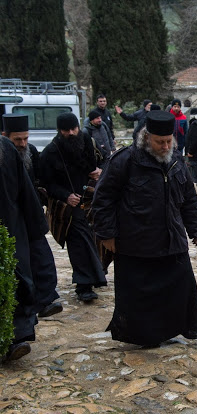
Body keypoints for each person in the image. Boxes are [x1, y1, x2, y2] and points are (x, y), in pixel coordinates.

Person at [92, 110, 197, 346]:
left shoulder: (176, 161)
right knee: (139, 295)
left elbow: (188, 197)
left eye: (168, 141)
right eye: (159, 142)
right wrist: (107, 233)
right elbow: (103, 199)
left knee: (181, 283)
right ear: (146, 138)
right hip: (136, 242)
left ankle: (184, 326)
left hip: (171, 238)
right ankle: (145, 335)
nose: (165, 146)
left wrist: (194, 228)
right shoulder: (125, 161)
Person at [39, 113, 107, 302]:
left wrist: (98, 171)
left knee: (97, 237)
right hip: (68, 207)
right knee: (79, 241)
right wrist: (66, 196)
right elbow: (46, 184)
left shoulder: (86, 140)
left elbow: (100, 162)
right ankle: (84, 285)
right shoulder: (50, 153)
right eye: (66, 130)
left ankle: (97, 273)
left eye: (74, 128)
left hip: (90, 199)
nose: (71, 133)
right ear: (59, 131)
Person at [2, 114, 62, 319]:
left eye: (25, 139)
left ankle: (46, 298)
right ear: (5, 136)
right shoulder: (6, 155)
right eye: (17, 140)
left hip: (31, 213)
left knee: (41, 258)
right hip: (12, 217)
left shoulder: (32, 152)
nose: (22, 144)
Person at [0, 135, 50, 361]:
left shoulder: (6, 149)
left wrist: (36, 228)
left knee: (16, 280)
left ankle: (17, 338)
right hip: (12, 226)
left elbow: (25, 190)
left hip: (11, 226)